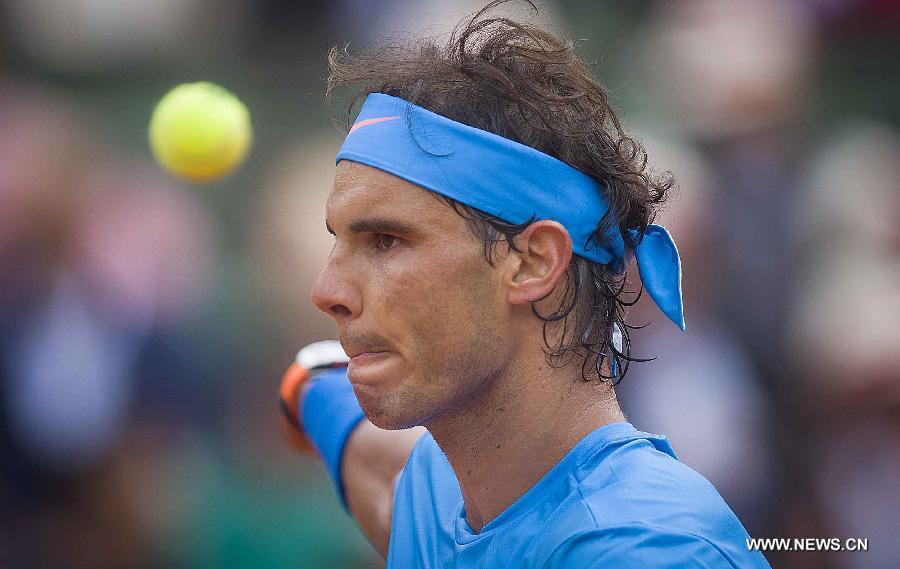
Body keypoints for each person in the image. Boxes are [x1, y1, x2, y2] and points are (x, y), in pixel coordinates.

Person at [279, 2, 771, 567]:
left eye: (386, 240)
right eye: (338, 239)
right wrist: (309, 385)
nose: (326, 289)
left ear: (534, 262)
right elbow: (363, 447)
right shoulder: (432, 494)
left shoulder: (650, 551)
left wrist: (309, 379)